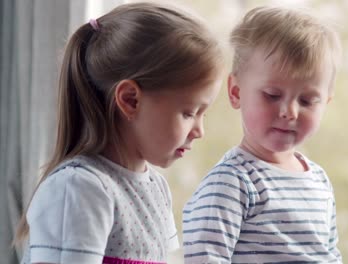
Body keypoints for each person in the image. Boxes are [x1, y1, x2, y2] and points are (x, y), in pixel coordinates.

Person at [14, 2, 223, 263]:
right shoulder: (79, 188)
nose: (199, 131)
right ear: (131, 100)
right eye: (189, 112)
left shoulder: (156, 188)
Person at [183, 6, 342, 263]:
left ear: (326, 102)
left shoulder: (319, 181)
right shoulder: (232, 182)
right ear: (236, 92)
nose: (290, 112)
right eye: (272, 95)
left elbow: (331, 256)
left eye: (307, 100)